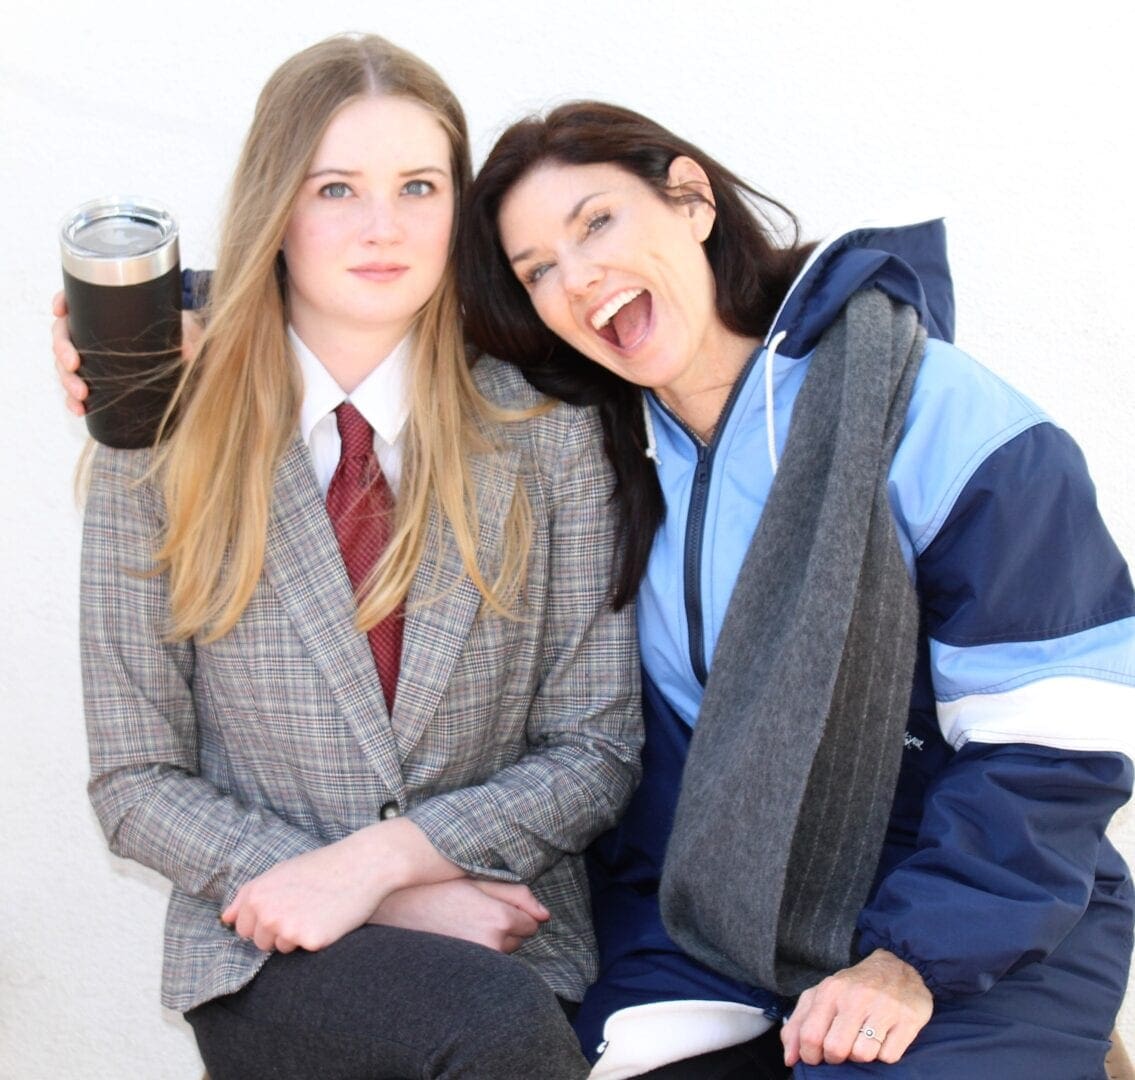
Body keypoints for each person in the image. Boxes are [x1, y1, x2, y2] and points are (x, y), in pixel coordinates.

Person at [457, 101, 1135, 1079]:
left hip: (979, 910)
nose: (578, 279)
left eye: (595, 222)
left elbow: (1056, 731)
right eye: (538, 271)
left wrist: (911, 959)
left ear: (689, 199)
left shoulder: (929, 408)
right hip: (721, 924)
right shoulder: (608, 459)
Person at [63, 40, 643, 1080]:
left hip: (505, 929)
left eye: (418, 186)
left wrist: (386, 865)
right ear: (276, 208)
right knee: (486, 1031)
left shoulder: (550, 433)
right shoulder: (157, 438)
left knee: (494, 1018)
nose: (384, 227)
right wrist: (357, 891)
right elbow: (136, 779)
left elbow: (592, 749)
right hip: (260, 945)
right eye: (336, 188)